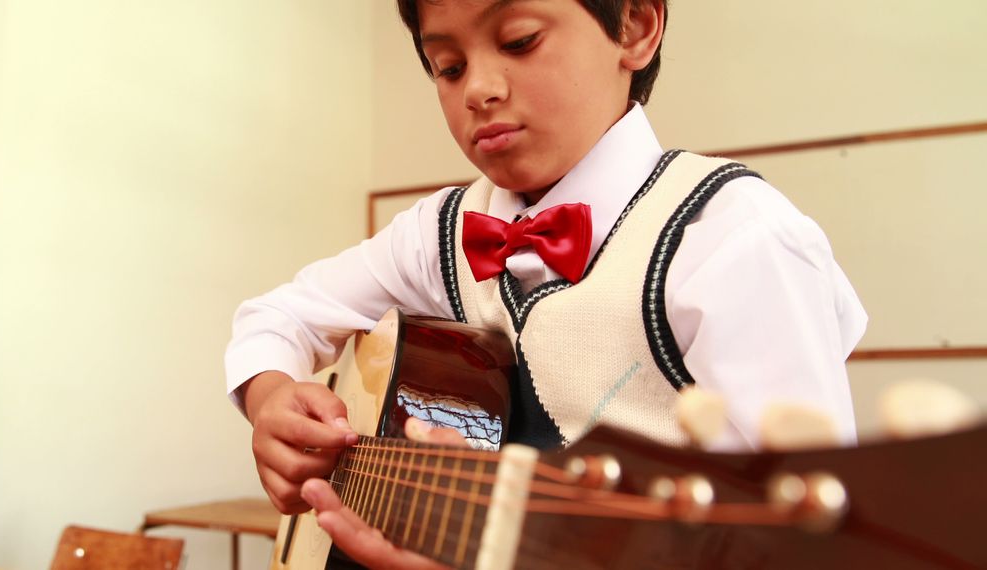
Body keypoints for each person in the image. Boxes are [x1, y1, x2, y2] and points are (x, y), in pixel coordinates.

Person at [225, 0, 867, 567]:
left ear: (637, 26)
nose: (478, 88)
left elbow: (806, 543)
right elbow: (278, 317)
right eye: (447, 67)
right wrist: (271, 398)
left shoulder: (735, 241)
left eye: (520, 39)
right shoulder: (439, 232)